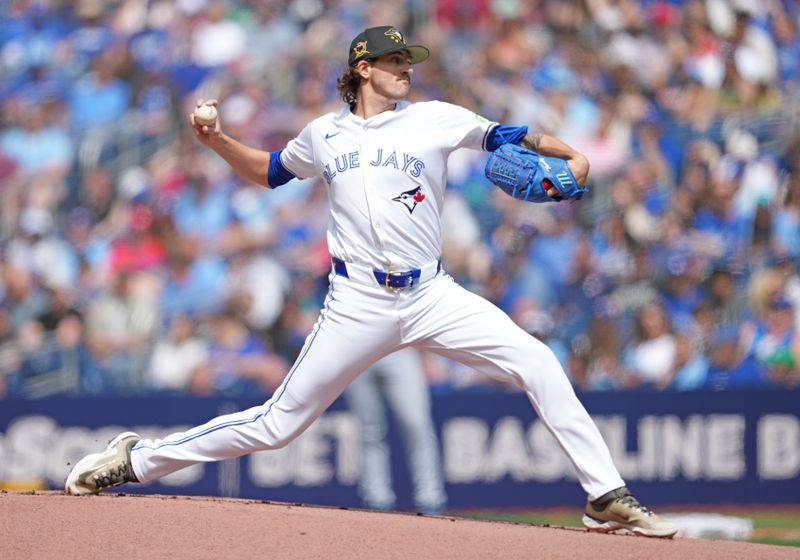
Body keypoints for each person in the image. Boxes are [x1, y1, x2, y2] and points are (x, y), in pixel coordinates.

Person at [65, 25, 676, 538]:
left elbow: (509, 136)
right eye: (393, 61)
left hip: (432, 294)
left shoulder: (435, 118)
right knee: (277, 426)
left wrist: (575, 156)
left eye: (408, 60)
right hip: (357, 299)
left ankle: (605, 495)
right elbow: (272, 171)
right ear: (362, 68)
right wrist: (219, 140)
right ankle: (135, 460)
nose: (405, 68)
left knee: (538, 360)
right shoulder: (323, 134)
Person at [344, 348, 446, 514]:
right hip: (358, 353)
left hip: (399, 350)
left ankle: (430, 499)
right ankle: (376, 500)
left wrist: (428, 355)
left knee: (417, 426)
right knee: (369, 432)